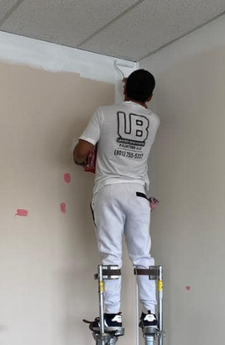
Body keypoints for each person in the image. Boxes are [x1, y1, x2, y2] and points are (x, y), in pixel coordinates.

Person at [74, 69, 160, 331]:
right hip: (138, 194)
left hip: (109, 190)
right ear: (151, 95)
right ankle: (150, 314)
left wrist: (82, 157)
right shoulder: (154, 120)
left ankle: (112, 315)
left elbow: (81, 153)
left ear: (125, 89)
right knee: (142, 255)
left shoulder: (103, 113)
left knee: (111, 255)